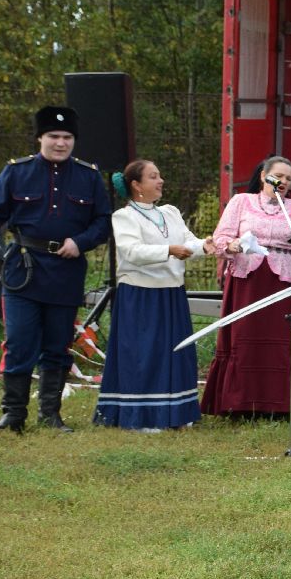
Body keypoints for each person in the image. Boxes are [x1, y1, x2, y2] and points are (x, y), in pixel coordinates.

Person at [0, 107, 112, 433]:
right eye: (53, 136)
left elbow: (103, 222)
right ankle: (13, 414)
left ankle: (50, 415)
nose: (60, 143)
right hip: (24, 269)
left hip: (66, 271)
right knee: (20, 342)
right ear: (40, 137)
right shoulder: (16, 172)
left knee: (57, 345)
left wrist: (80, 242)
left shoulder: (89, 176)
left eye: (67, 138)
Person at [199, 156, 291, 417]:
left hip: (284, 284)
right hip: (247, 282)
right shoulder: (241, 202)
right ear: (263, 175)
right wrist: (232, 245)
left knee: (283, 343)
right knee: (245, 341)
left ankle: (284, 405)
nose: (283, 182)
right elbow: (220, 238)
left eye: (288, 178)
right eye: (279, 176)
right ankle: (239, 403)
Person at [93, 160, 215, 431]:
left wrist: (204, 246)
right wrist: (169, 250)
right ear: (136, 185)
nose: (160, 181)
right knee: (143, 354)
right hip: (140, 296)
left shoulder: (170, 212)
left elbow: (187, 241)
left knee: (175, 352)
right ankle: (142, 417)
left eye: (159, 175)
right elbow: (131, 251)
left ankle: (176, 414)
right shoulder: (124, 217)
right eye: (153, 177)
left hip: (171, 295)